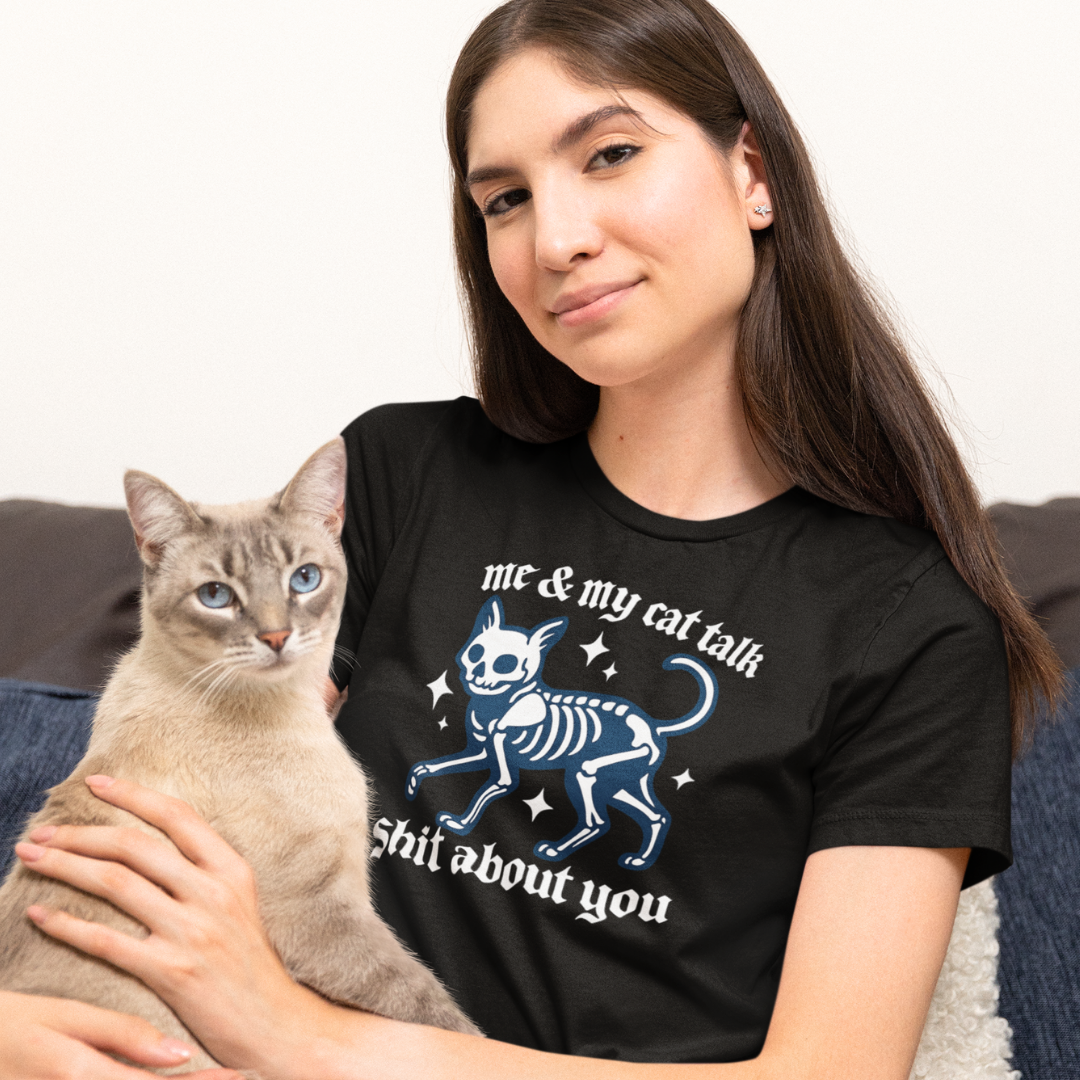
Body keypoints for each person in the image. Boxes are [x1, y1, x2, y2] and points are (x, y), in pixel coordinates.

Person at [0, 1, 1064, 1077]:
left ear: (755, 173)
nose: (556, 239)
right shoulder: (403, 479)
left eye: (609, 154)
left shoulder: (914, 625)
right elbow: (178, 797)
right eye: (505, 200)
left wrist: (296, 1031)